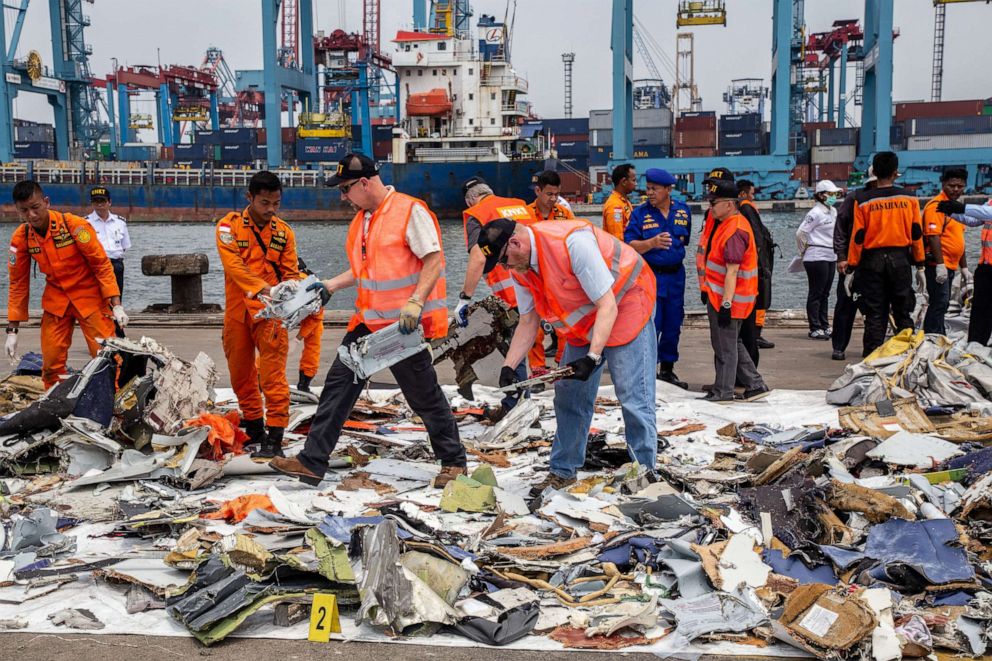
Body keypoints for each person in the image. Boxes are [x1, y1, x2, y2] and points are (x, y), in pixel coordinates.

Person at [270, 154, 466, 487]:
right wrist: (331, 284)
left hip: (402, 327)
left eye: (346, 189)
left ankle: (454, 462)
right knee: (337, 389)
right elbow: (365, 269)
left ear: (365, 183)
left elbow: (433, 260)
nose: (343, 197)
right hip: (367, 323)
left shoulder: (408, 211)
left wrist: (416, 302)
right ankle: (312, 462)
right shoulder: (363, 219)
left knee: (423, 396)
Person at [479, 217, 659, 496]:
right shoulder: (521, 269)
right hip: (586, 321)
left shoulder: (572, 243)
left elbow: (607, 305)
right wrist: (509, 366)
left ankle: (645, 473)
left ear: (515, 243)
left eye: (505, 260)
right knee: (569, 394)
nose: (506, 267)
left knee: (633, 396)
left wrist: (593, 357)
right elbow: (528, 321)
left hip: (627, 302)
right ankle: (562, 471)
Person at [6, 180, 126, 387]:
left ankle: (117, 407)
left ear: (46, 202)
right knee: (51, 362)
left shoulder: (75, 226)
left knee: (108, 358)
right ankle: (53, 403)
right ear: (17, 210)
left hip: (90, 297)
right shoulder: (22, 237)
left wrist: (116, 305)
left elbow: (101, 265)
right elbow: (18, 283)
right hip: (56, 301)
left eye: (35, 208)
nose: (31, 215)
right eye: (24, 211)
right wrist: (12, 330)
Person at [216, 171, 300, 461]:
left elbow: (290, 273)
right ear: (249, 198)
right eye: (265, 203)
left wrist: (294, 291)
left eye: (276, 203)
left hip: (272, 316)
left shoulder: (284, 233)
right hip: (239, 313)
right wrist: (266, 288)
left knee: (273, 377)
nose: (271, 210)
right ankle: (254, 426)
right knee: (241, 375)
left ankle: (275, 434)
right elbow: (234, 266)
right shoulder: (228, 227)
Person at [457, 177, 543, 389]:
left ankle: (518, 398)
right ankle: (525, 390)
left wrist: (464, 298)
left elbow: (478, 257)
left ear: (470, 200)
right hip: (541, 284)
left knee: (513, 347)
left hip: (512, 291)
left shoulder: (476, 214)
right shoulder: (520, 205)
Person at [847, 151, 925, 357]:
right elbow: (916, 233)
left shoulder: (863, 200)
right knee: (903, 310)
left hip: (872, 262)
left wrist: (851, 268)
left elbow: (858, 237)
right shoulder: (909, 198)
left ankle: (871, 360)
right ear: (895, 172)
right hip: (900, 260)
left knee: (875, 314)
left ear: (874, 171)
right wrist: (920, 265)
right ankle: (907, 356)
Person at [700, 177, 769, 403]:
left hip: (728, 300)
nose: (710, 207)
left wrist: (726, 305)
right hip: (727, 297)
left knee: (725, 348)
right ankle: (755, 384)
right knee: (733, 343)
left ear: (729, 204)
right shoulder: (730, 224)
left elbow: (732, 271)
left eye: (714, 203)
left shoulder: (735, 230)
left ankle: (724, 391)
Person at [624, 168, 690, 389]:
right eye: (648, 188)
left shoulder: (683, 211)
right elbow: (629, 245)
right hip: (650, 276)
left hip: (676, 277)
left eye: (654, 189)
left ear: (668, 190)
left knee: (673, 323)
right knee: (651, 324)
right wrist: (650, 243)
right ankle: (647, 371)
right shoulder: (640, 214)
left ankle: (668, 370)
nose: (649, 193)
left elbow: (684, 241)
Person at [831, 167, 877, 361]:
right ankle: (839, 346)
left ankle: (873, 348)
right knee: (845, 305)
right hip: (853, 261)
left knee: (875, 309)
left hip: (877, 262)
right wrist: (841, 256)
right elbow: (840, 228)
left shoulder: (891, 197)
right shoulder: (855, 198)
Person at [937, 196, 991, 345]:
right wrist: (951, 213)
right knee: (979, 311)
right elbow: (974, 220)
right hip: (986, 266)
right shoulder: (991, 201)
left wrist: (963, 208)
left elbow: (988, 213)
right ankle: (976, 347)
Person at [921, 168, 968, 335]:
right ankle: (932, 336)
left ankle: (938, 334)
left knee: (944, 303)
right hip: (937, 264)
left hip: (951, 265)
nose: (956, 189)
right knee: (939, 302)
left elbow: (959, 240)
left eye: (960, 186)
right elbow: (933, 236)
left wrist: (964, 268)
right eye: (952, 185)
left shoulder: (955, 208)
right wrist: (940, 265)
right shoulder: (937, 207)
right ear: (943, 184)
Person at [735, 180, 775, 365]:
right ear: (742, 194)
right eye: (751, 193)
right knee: (759, 300)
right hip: (756, 268)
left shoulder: (744, 210)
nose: (753, 197)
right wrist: (762, 265)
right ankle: (756, 334)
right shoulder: (746, 209)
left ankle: (756, 333)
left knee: (760, 301)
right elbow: (757, 239)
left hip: (755, 267)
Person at [797, 180, 841, 339]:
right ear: (821, 195)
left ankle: (824, 324)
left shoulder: (833, 211)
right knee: (816, 292)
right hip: (816, 256)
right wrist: (804, 251)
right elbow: (800, 233)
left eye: (835, 194)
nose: (834, 196)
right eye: (831, 194)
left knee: (825, 293)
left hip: (830, 255)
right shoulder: (815, 213)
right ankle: (814, 327)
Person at [86, 186, 130, 297]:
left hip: (116, 264)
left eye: (102, 201)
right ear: (91, 203)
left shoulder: (120, 222)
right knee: (96, 297)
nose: (99, 204)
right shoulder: (85, 223)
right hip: (96, 265)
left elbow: (124, 246)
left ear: (109, 202)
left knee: (117, 296)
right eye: (96, 201)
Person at [295, 257, 323, 393]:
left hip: (310, 313)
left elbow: (316, 317)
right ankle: (304, 384)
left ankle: (304, 383)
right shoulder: (307, 283)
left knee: (270, 342)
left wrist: (297, 338)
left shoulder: (310, 288)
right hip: (284, 309)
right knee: (272, 341)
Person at [602, 163, 636, 240]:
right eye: (633, 180)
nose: (636, 184)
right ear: (624, 181)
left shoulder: (624, 202)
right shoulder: (614, 206)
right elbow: (617, 239)